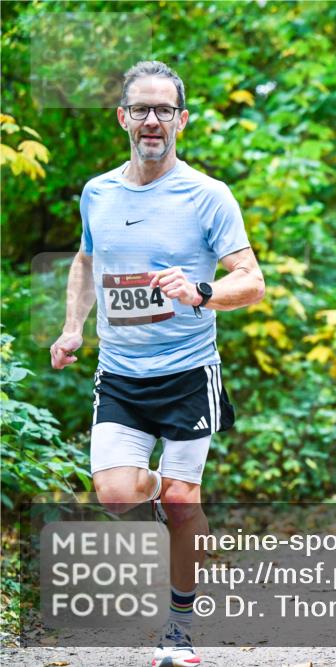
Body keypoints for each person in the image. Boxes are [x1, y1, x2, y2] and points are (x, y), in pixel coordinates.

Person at [49, 61, 265, 667]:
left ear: (181, 120)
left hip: (189, 372)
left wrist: (200, 292)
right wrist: (72, 328)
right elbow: (87, 261)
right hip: (121, 373)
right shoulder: (98, 192)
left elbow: (251, 281)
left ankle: (179, 627)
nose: (152, 120)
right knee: (117, 495)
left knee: (181, 501)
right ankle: (162, 504)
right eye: (141, 109)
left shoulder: (208, 195)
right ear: (123, 118)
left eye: (164, 110)